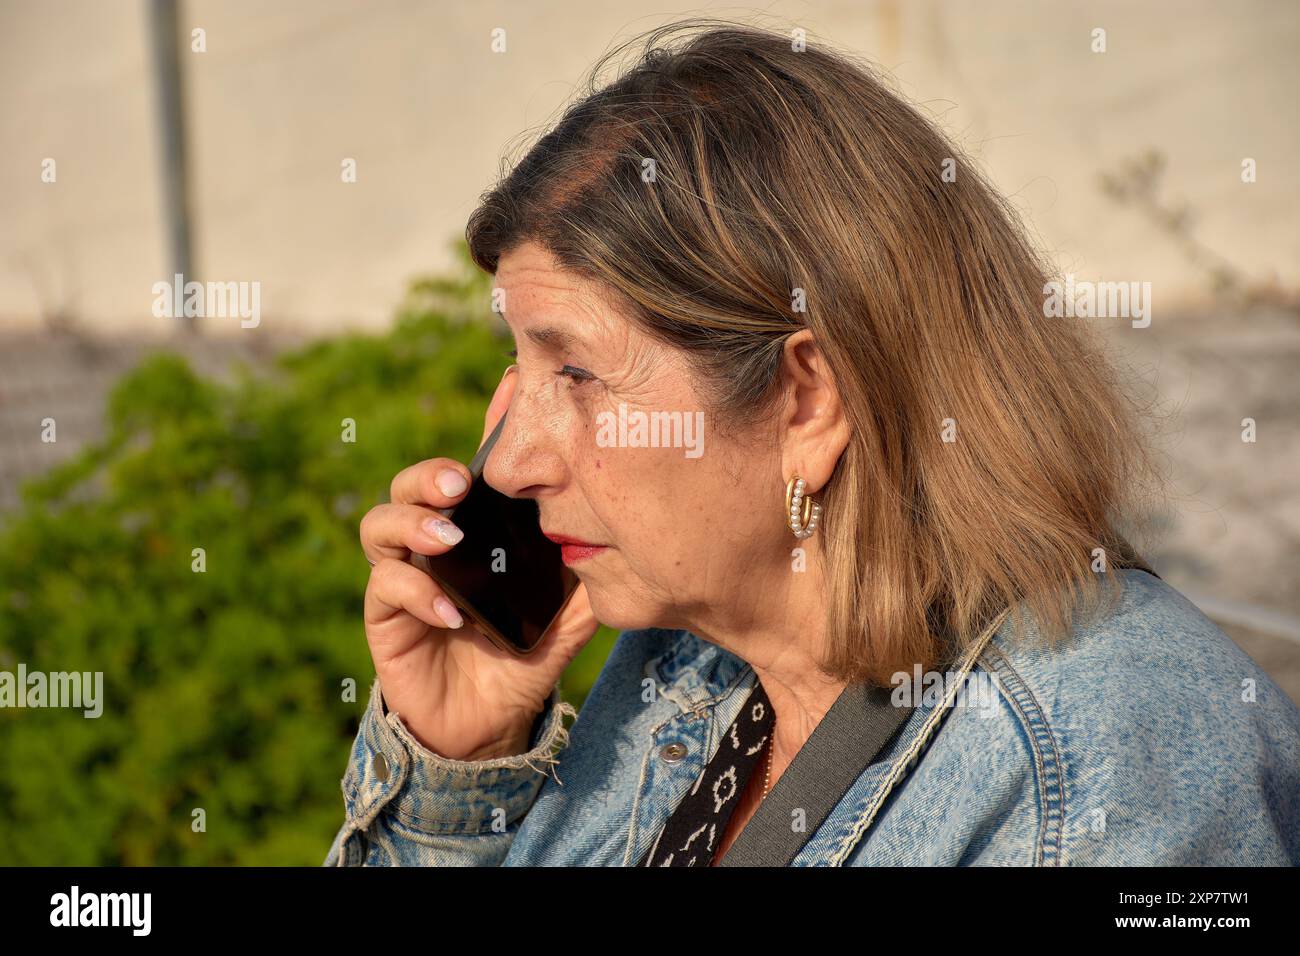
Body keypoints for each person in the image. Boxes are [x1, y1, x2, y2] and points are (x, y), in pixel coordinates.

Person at [324, 20, 1300, 866]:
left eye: (574, 372)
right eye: (519, 368)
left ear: (807, 404)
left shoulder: (1117, 761)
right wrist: (458, 773)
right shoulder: (686, 664)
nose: (506, 461)